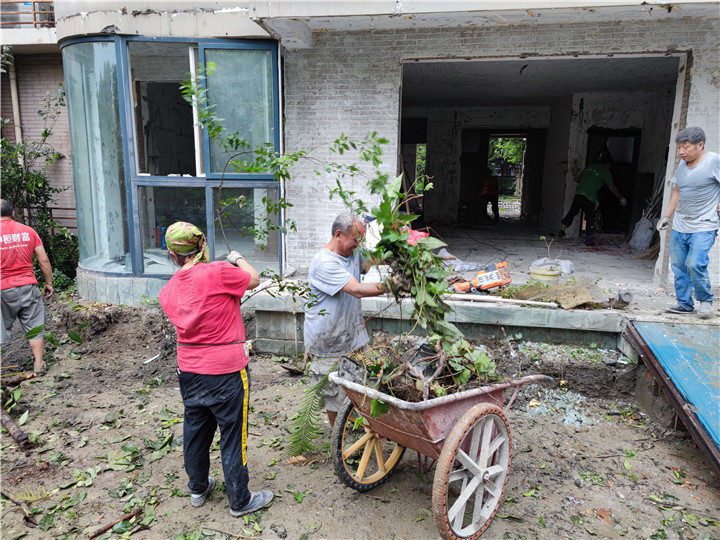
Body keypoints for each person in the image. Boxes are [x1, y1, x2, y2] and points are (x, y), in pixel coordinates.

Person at [159, 222, 273, 517]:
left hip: (189, 371)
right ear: (201, 246)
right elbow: (254, 280)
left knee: (195, 431)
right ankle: (240, 500)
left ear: (173, 254)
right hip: (226, 371)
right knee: (234, 434)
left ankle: (198, 488)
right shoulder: (217, 272)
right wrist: (236, 258)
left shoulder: (168, 291)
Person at [303, 213, 388, 427]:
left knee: (368, 384)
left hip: (354, 338)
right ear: (338, 235)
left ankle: (361, 426)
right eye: (355, 239)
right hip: (329, 343)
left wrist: (398, 250)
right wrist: (394, 286)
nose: (358, 245)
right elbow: (357, 290)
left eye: (361, 240)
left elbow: (372, 262)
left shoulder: (353, 253)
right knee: (336, 398)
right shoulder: (324, 263)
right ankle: (338, 440)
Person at [656, 126, 720, 318]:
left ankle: (706, 300)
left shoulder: (714, 161)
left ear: (700, 145)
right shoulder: (682, 165)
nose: (681, 151)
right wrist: (666, 216)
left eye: (686, 147)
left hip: (704, 224)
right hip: (680, 225)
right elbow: (678, 190)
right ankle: (684, 303)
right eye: (679, 148)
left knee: (694, 263)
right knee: (678, 265)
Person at [0, 199, 54, 373]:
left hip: (2, 289)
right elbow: (43, 259)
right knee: (35, 325)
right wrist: (48, 283)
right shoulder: (28, 231)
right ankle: (38, 364)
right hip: (28, 286)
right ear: (13, 213)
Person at [559, 153, 627, 242]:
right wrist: (621, 198)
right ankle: (590, 240)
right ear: (609, 165)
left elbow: (577, 180)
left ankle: (562, 230)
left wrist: (575, 173)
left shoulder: (588, 167)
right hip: (589, 196)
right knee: (589, 218)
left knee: (572, 212)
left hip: (578, 194)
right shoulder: (606, 172)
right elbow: (612, 187)